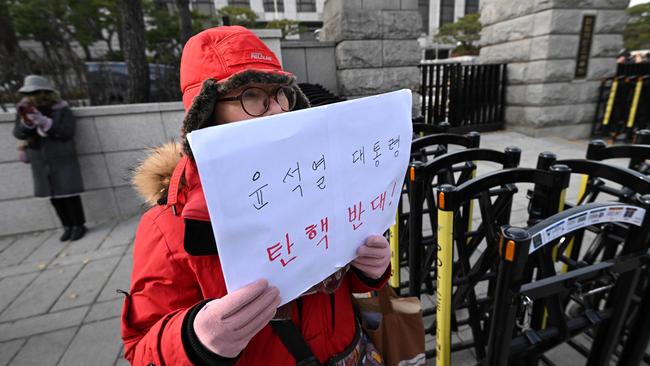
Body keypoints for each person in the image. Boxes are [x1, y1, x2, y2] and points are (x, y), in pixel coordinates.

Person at [121, 26, 392, 365]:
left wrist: (371, 269)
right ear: (207, 114)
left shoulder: (315, 181)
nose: (277, 109)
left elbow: (339, 276)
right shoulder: (168, 225)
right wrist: (194, 337)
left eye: (280, 93)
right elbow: (140, 347)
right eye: (251, 95)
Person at [13, 75, 87, 241]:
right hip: (40, 157)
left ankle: (79, 224)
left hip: (62, 156)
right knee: (52, 195)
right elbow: (17, 132)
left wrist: (46, 122)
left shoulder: (62, 110)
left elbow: (67, 131)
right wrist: (28, 124)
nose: (33, 97)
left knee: (70, 194)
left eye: (37, 93)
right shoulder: (24, 110)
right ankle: (66, 226)